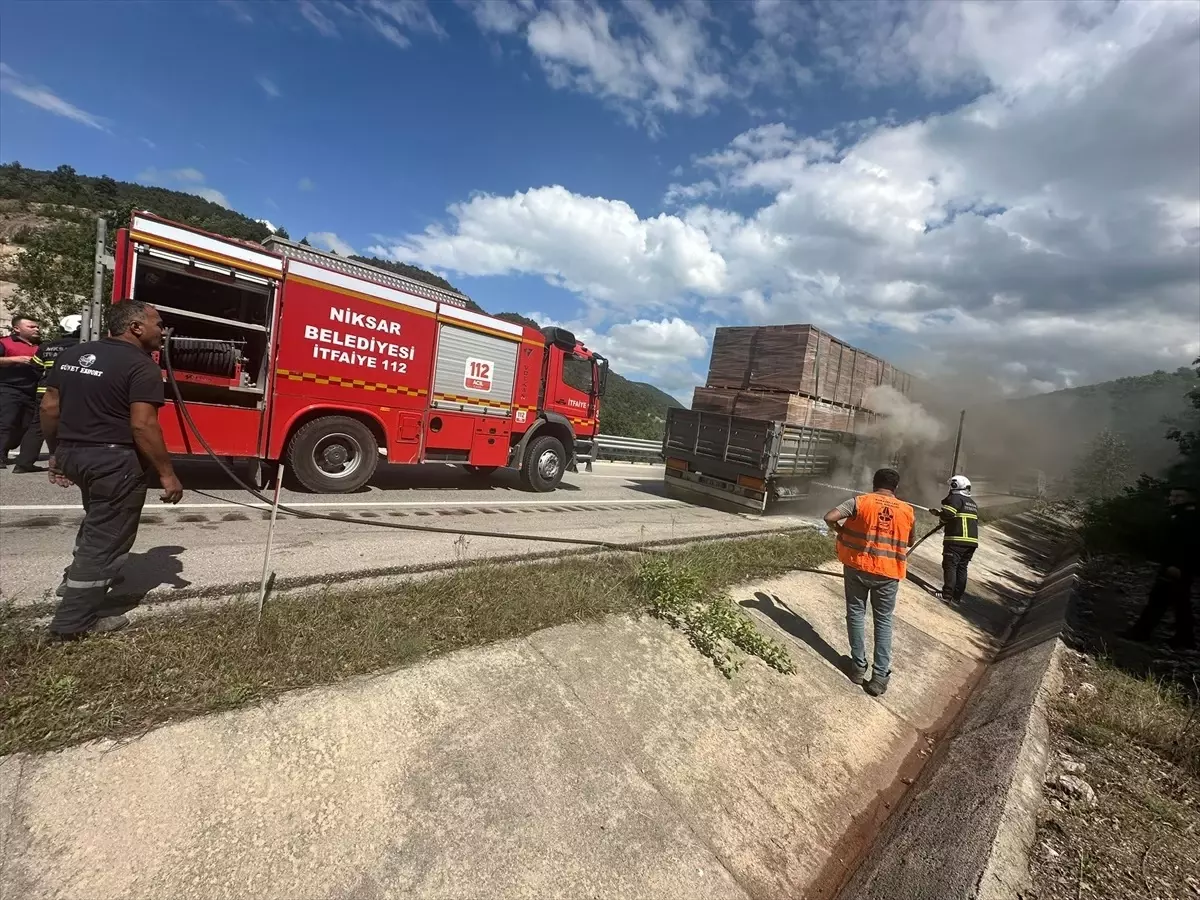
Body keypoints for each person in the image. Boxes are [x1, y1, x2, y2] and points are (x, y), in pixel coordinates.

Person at [39, 299, 184, 638]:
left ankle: (72, 583)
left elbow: (49, 407)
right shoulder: (142, 366)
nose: (162, 331)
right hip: (113, 462)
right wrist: (167, 473)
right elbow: (143, 427)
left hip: (75, 454)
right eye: (158, 323)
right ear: (136, 327)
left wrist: (57, 453)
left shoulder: (73, 354)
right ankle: (72, 624)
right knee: (106, 537)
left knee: (97, 520)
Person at [824, 468, 917, 696]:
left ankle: (857, 668)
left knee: (856, 614)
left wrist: (841, 530)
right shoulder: (907, 511)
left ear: (874, 483)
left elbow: (829, 517)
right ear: (896, 487)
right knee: (883, 621)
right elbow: (909, 540)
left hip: (857, 567)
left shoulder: (859, 502)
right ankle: (879, 678)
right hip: (888, 574)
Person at [1122, 485, 1199, 650]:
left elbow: (1189, 546)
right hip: (1175, 566)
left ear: (1191, 498)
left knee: (1158, 600)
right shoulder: (1180, 514)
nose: (1173, 499)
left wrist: (1177, 565)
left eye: (1179, 496)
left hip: (1177, 567)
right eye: (1172, 496)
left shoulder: (1189, 518)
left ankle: (1140, 633)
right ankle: (1185, 639)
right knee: (1179, 603)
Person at [12, 314, 83, 473]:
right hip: (72, 392)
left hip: (45, 392)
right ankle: (71, 465)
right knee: (76, 426)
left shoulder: (46, 346)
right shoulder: (84, 346)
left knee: (37, 427)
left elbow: (35, 368)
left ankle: (23, 464)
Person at [0, 313, 41, 470]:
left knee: (26, 425)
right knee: (5, 423)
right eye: (31, 327)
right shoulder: (5, 343)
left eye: (37, 326)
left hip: (31, 391)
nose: (36, 329)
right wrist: (13, 360)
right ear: (17, 328)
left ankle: (10, 450)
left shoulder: (39, 346)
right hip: (8, 388)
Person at [930, 475, 980, 605]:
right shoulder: (971, 503)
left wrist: (940, 515)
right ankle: (956, 598)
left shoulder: (955, 498)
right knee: (962, 568)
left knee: (950, 566)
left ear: (954, 486)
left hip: (956, 541)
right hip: (971, 543)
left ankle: (946, 595)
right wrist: (940, 514)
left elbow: (948, 514)